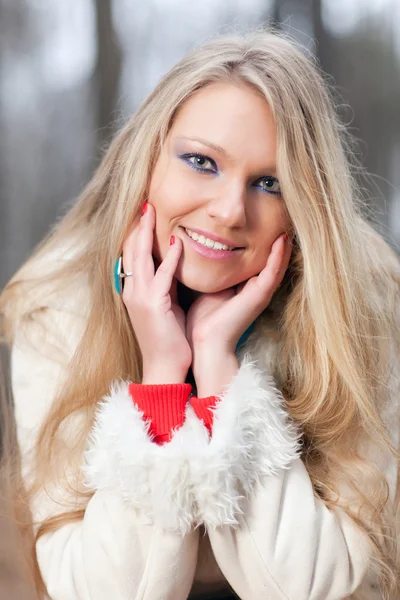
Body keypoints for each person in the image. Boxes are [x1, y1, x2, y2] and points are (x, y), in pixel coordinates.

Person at [0, 28, 399, 600]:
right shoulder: (59, 307)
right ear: (146, 162)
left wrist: (220, 375)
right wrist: (162, 377)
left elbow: (313, 588)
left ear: (306, 208)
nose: (231, 210)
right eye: (201, 162)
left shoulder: (365, 305)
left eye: (270, 183)